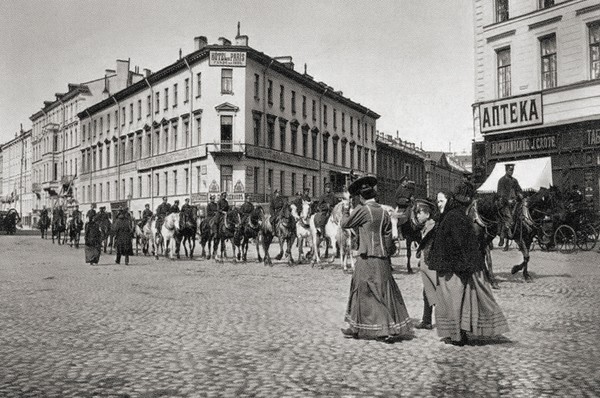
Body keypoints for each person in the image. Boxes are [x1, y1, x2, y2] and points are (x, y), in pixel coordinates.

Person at [428, 190, 509, 346]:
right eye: (437, 201)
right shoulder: (457, 217)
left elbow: (458, 244)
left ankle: (457, 336)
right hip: (454, 267)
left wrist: (464, 264)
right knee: (458, 302)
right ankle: (458, 335)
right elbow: (461, 244)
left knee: (453, 302)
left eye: (442, 201)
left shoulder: (452, 217)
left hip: (451, 267)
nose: (439, 204)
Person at [340, 176, 413, 343]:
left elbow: (345, 223)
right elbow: (388, 235)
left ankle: (383, 329)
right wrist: (386, 252)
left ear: (361, 196)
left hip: (366, 257)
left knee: (361, 289)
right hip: (382, 258)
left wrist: (345, 207)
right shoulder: (383, 211)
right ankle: (357, 327)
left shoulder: (363, 210)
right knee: (383, 290)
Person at [414, 198, 437, 330]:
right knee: (426, 292)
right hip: (426, 264)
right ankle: (426, 320)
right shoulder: (426, 226)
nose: (417, 215)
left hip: (431, 265)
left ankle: (444, 321)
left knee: (436, 291)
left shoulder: (432, 226)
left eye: (419, 212)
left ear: (427, 214)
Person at [497, 163, 522, 243]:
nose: (511, 172)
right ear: (506, 170)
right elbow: (500, 194)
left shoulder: (514, 180)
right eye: (510, 170)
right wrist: (507, 200)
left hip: (514, 203)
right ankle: (502, 235)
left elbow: (518, 189)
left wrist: (520, 194)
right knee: (510, 219)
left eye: (512, 170)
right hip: (504, 204)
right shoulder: (501, 180)